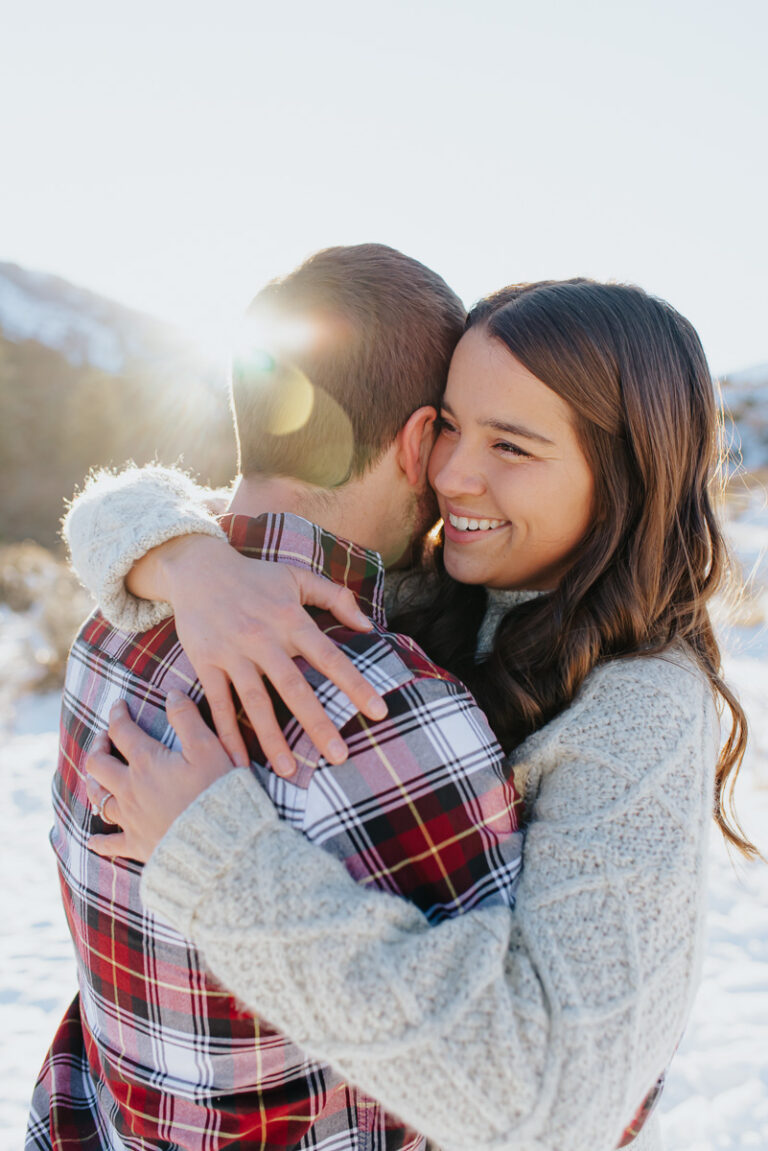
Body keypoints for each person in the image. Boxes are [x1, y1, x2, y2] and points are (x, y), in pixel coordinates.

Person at [60, 276, 755, 1151]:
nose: (452, 472)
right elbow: (112, 511)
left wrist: (215, 851)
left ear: (622, 478)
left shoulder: (641, 711)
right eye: (452, 423)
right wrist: (191, 564)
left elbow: (560, 1104)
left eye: (512, 445)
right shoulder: (455, 577)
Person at [26, 244, 529, 1151]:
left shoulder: (113, 624)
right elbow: (515, 1087)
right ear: (419, 441)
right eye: (452, 431)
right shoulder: (398, 712)